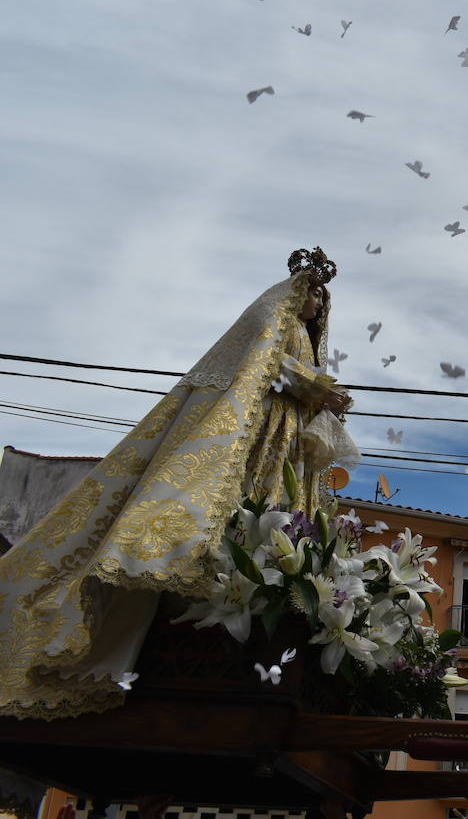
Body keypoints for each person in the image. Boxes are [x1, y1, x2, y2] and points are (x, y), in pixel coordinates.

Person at [0, 247, 356, 719]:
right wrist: (317, 388)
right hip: (263, 428)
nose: (316, 301)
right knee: (247, 503)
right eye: (311, 291)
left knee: (283, 508)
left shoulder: (307, 337)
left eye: (321, 296)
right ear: (294, 291)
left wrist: (324, 401)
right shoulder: (274, 318)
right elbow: (267, 363)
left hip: (287, 437)